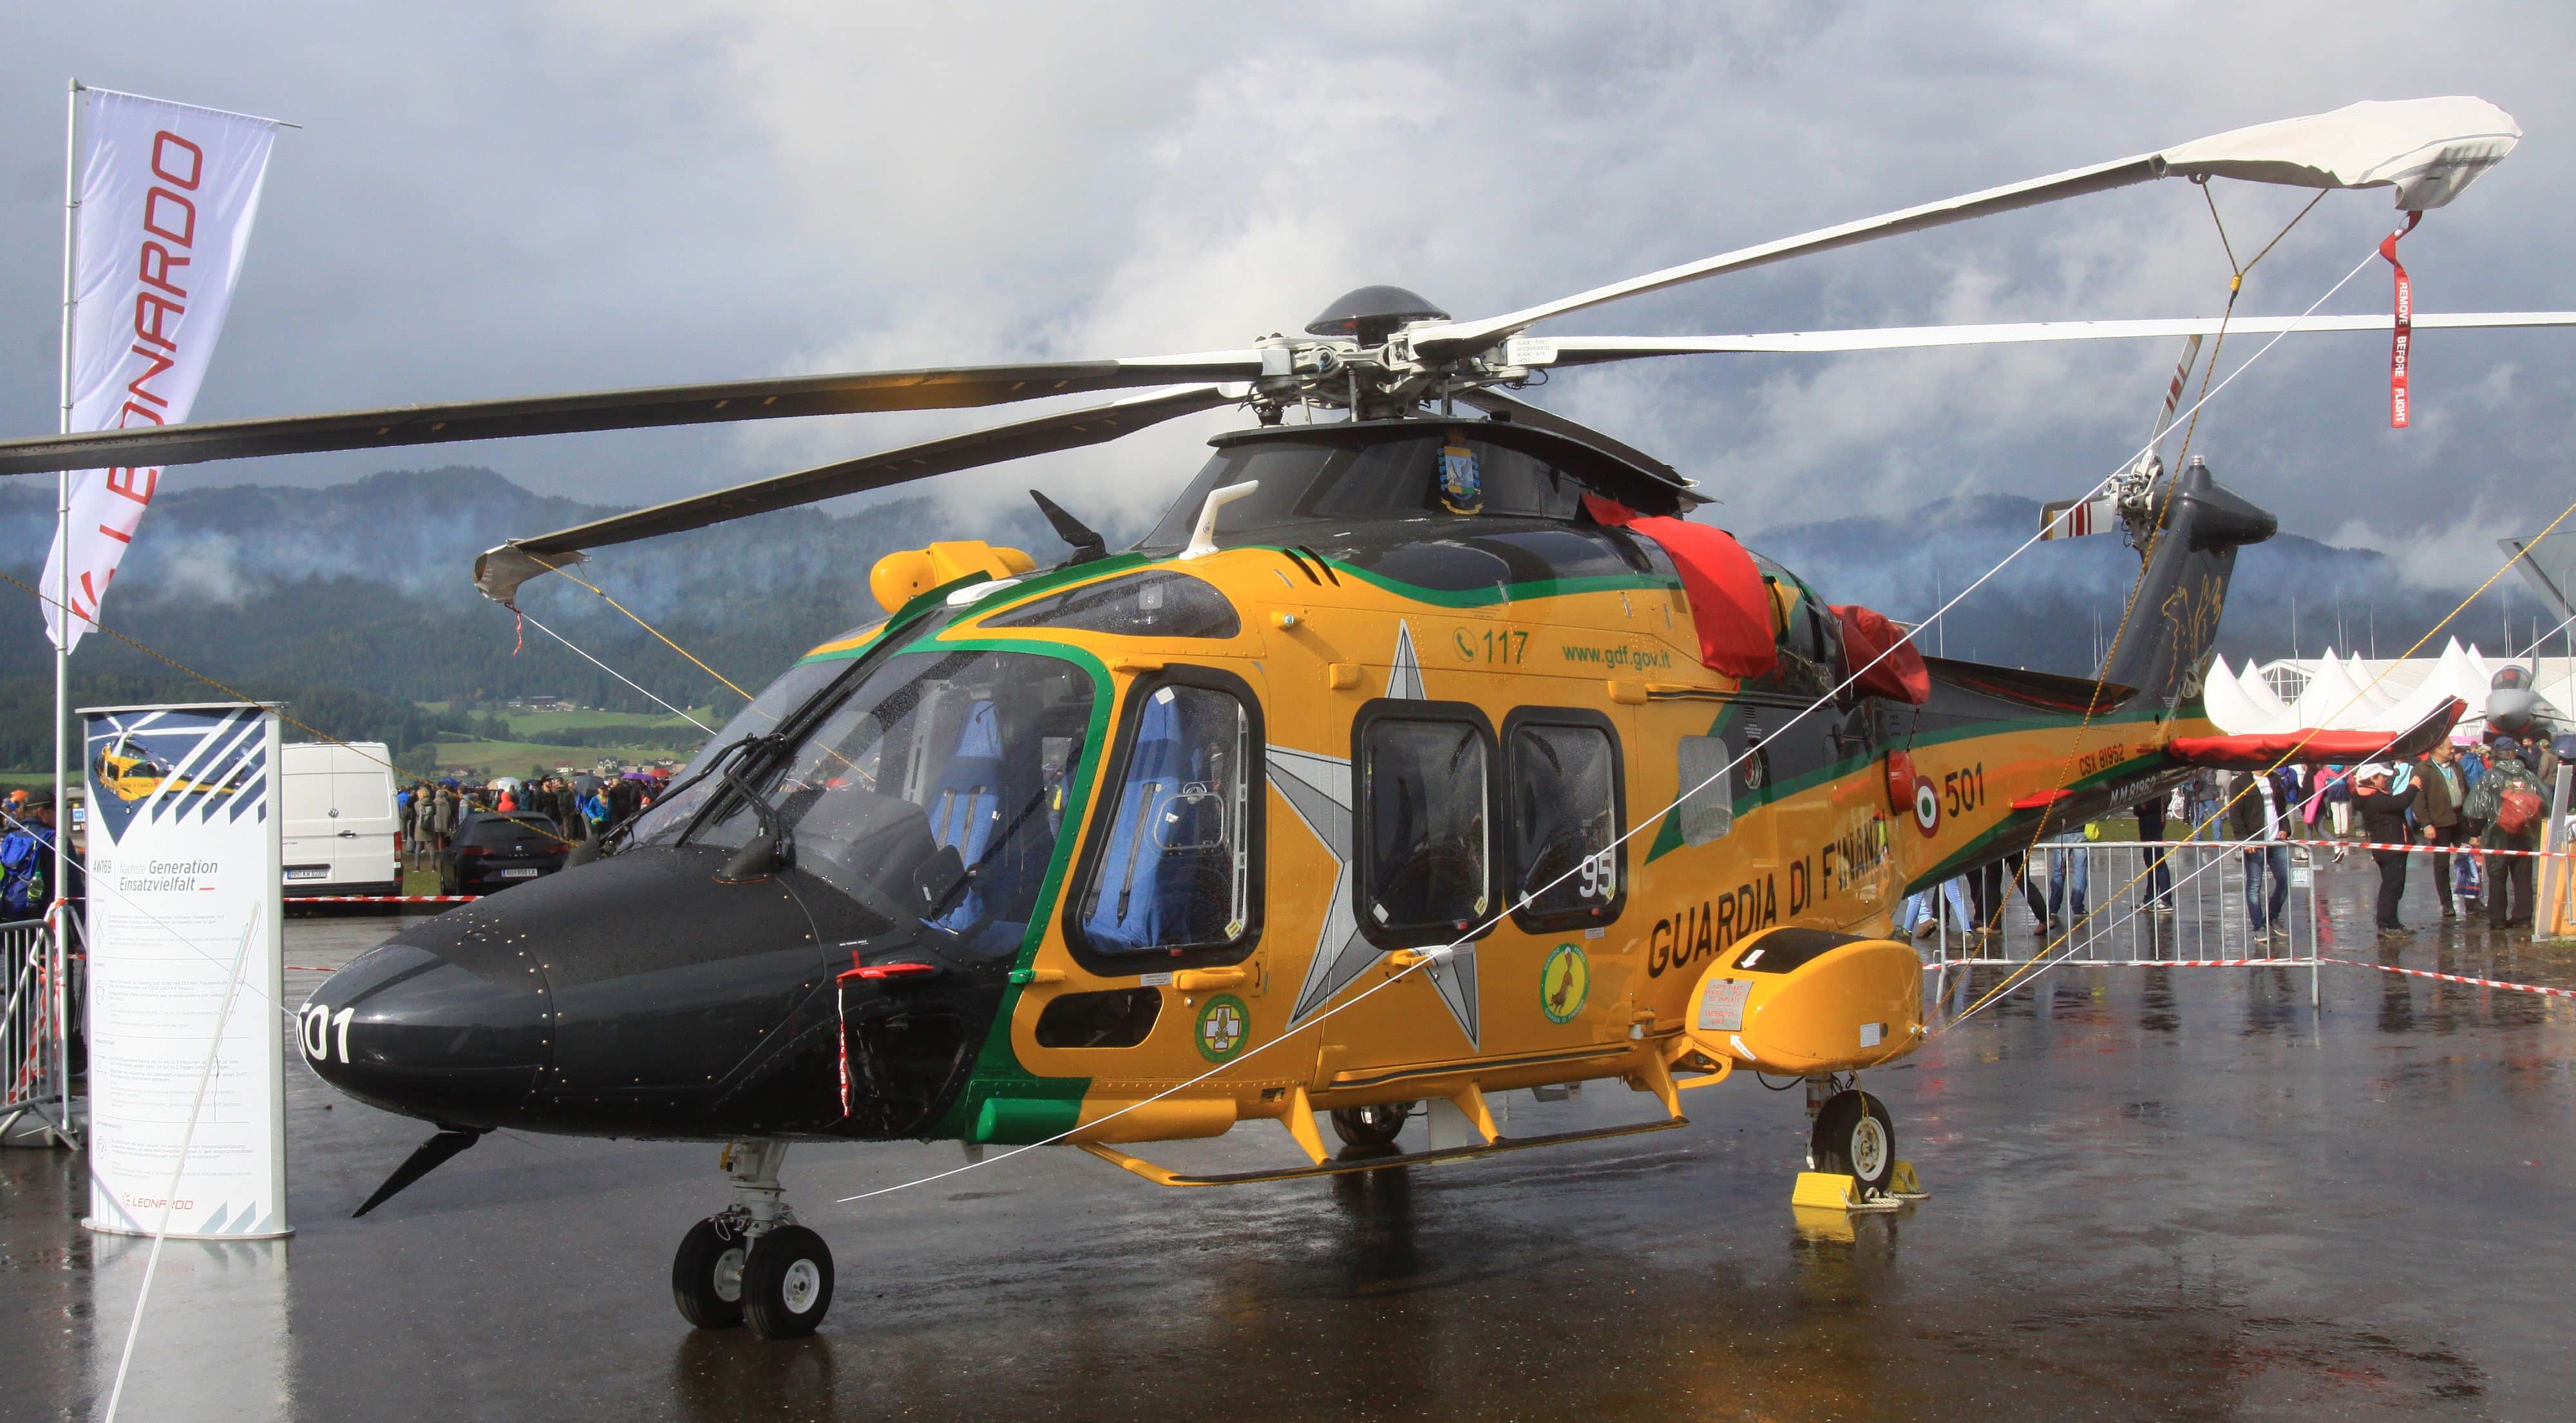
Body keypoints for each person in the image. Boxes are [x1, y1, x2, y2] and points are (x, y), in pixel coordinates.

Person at [2464, 740, 2551, 930]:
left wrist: (2475, 833)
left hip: (2497, 834)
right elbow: (2546, 802)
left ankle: (2497, 920)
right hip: (2525, 834)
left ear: (2497, 754)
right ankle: (2523, 918)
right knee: (2523, 878)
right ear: (2514, 753)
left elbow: (2475, 810)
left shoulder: (2489, 777)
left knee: (2497, 878)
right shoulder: (2529, 776)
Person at [2225, 765, 2299, 942]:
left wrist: (2285, 827)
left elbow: (2281, 808)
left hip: (2275, 840)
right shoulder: (2239, 784)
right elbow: (2235, 814)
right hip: (2255, 841)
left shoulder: (2275, 779)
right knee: (2254, 886)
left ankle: (2272, 917)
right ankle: (2259, 926)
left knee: (2285, 880)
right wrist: (2244, 839)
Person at [2351, 764, 2418, 934]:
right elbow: (2400, 803)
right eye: (2382, 776)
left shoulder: (2373, 796)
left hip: (2391, 847)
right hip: (2390, 848)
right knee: (2392, 886)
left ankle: (2392, 922)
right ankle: (2386, 924)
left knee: (2395, 885)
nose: (2385, 779)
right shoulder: (2374, 799)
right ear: (2372, 779)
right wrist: (2413, 787)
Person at [2414, 742, 2468, 919]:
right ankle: (2447, 904)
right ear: (2437, 750)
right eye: (2450, 748)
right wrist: (2426, 824)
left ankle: (2472, 902)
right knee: (2442, 865)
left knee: (2468, 861)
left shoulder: (2457, 767)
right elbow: (2418, 798)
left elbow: (2465, 789)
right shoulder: (2422, 769)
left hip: (2460, 819)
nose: (2453, 751)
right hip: (2439, 823)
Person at [2136, 790, 2176, 914]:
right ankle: (2150, 898)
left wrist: (2147, 805)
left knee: (2158, 862)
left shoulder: (2160, 790)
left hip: (2154, 821)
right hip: (2145, 823)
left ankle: (2166, 899)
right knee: (2150, 862)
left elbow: (2165, 799)